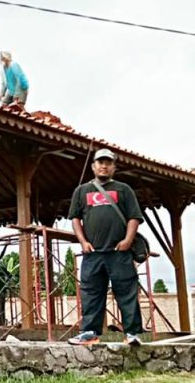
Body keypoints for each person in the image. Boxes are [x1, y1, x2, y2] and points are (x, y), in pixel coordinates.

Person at [67, 148, 144, 346]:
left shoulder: (124, 189)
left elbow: (134, 217)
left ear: (114, 167)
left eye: (108, 163)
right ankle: (89, 332)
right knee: (91, 293)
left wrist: (128, 240)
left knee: (126, 292)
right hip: (92, 253)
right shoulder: (81, 191)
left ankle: (133, 333)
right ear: (93, 166)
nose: (104, 166)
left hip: (119, 252)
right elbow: (75, 218)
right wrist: (83, 242)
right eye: (100, 162)